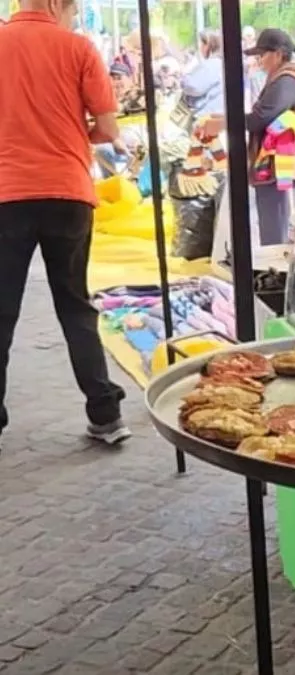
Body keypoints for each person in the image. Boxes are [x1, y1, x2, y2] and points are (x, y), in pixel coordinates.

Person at [0, 0, 130, 446]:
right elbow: (110, 130)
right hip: (68, 192)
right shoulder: (78, 48)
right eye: (73, 9)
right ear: (58, 4)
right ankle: (106, 415)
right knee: (75, 305)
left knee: (1, 311)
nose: (73, 17)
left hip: (6, 194)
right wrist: (73, 130)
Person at [206, 28, 295, 246]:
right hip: (289, 172)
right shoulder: (291, 78)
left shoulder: (287, 81)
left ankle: (279, 280)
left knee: (280, 244)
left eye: (262, 55)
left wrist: (223, 123)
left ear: (277, 54)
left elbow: (260, 118)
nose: (260, 61)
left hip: (285, 175)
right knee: (286, 241)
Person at [181, 30, 226, 117]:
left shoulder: (212, 64)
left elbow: (194, 87)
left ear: (208, 46)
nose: (200, 48)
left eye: (202, 44)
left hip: (207, 115)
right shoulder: (219, 63)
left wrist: (183, 81)